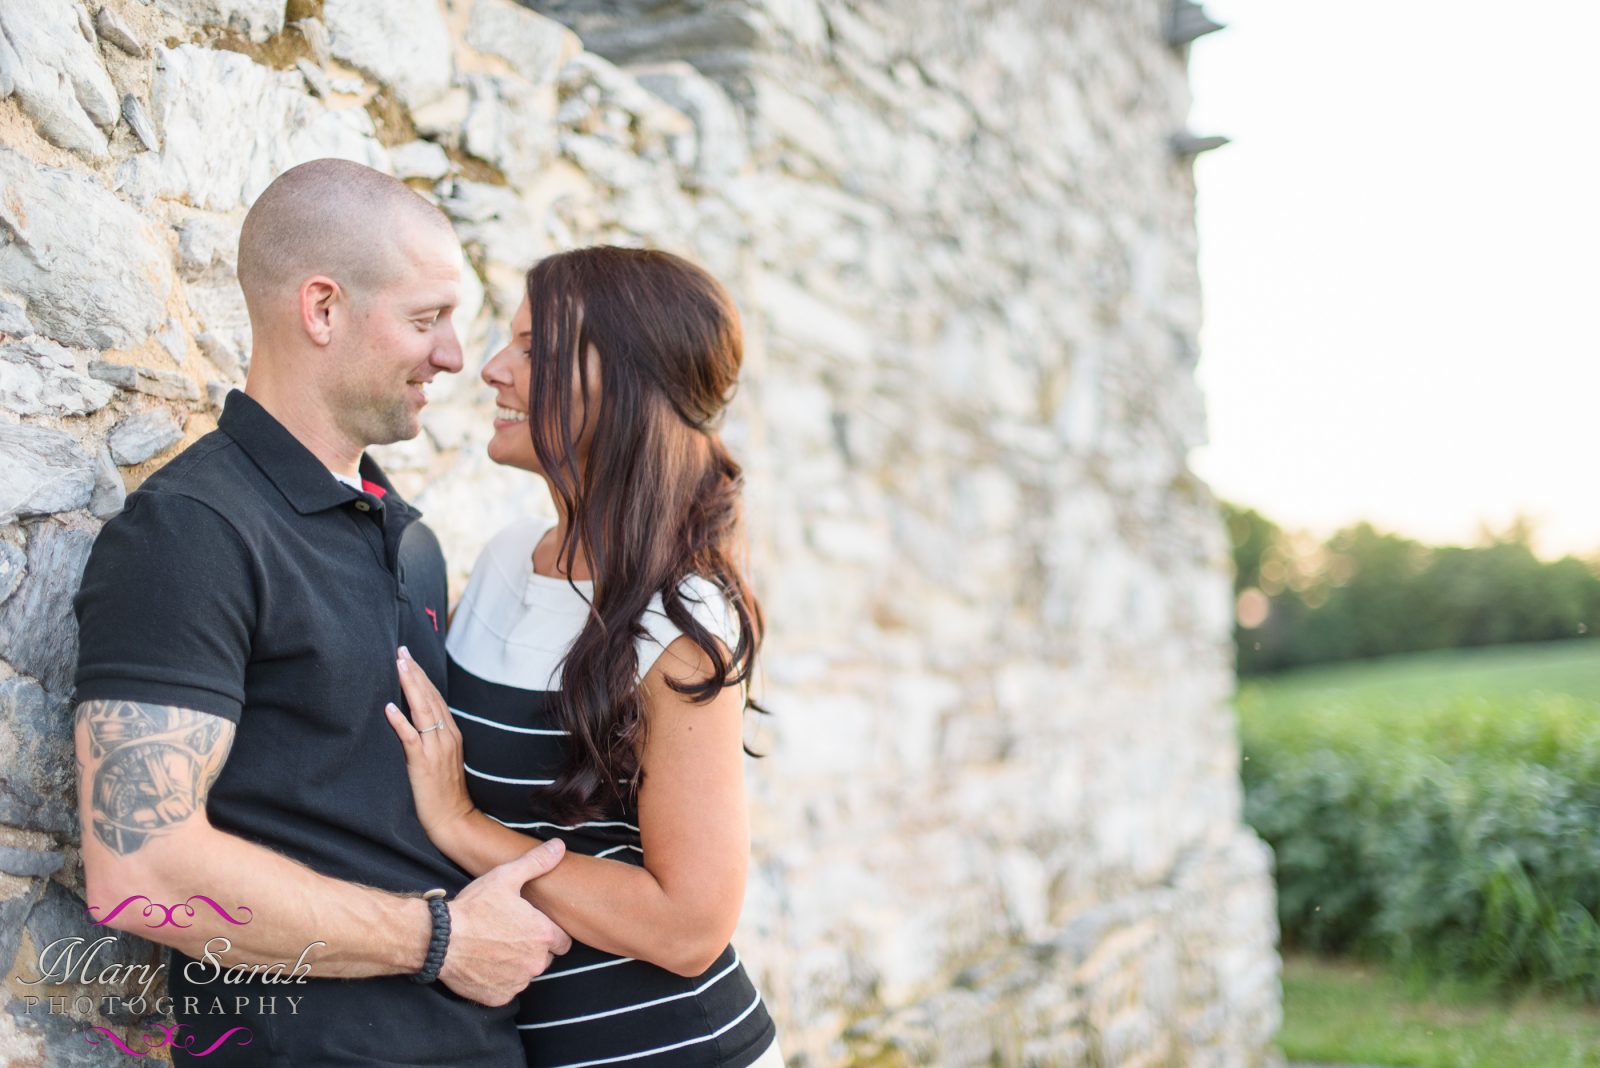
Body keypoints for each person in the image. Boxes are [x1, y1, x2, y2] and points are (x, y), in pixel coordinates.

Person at [71, 158, 572, 1066]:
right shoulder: (191, 532)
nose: (456, 357)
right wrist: (439, 940)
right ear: (323, 310)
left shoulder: (407, 539)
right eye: (427, 320)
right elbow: (140, 874)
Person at [384, 246, 784, 1066]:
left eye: (534, 348)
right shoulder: (503, 559)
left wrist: (463, 828)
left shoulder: (681, 619)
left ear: (624, 388)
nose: (493, 368)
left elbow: (689, 927)